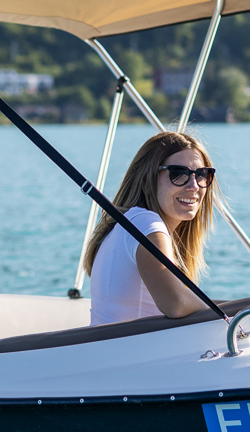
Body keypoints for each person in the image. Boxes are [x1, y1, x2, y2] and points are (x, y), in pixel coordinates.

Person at [84, 131, 219, 327]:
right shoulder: (145, 223)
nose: (193, 186)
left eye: (201, 175)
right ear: (148, 176)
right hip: (130, 356)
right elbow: (175, 304)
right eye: (178, 174)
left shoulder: (129, 223)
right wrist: (228, 313)